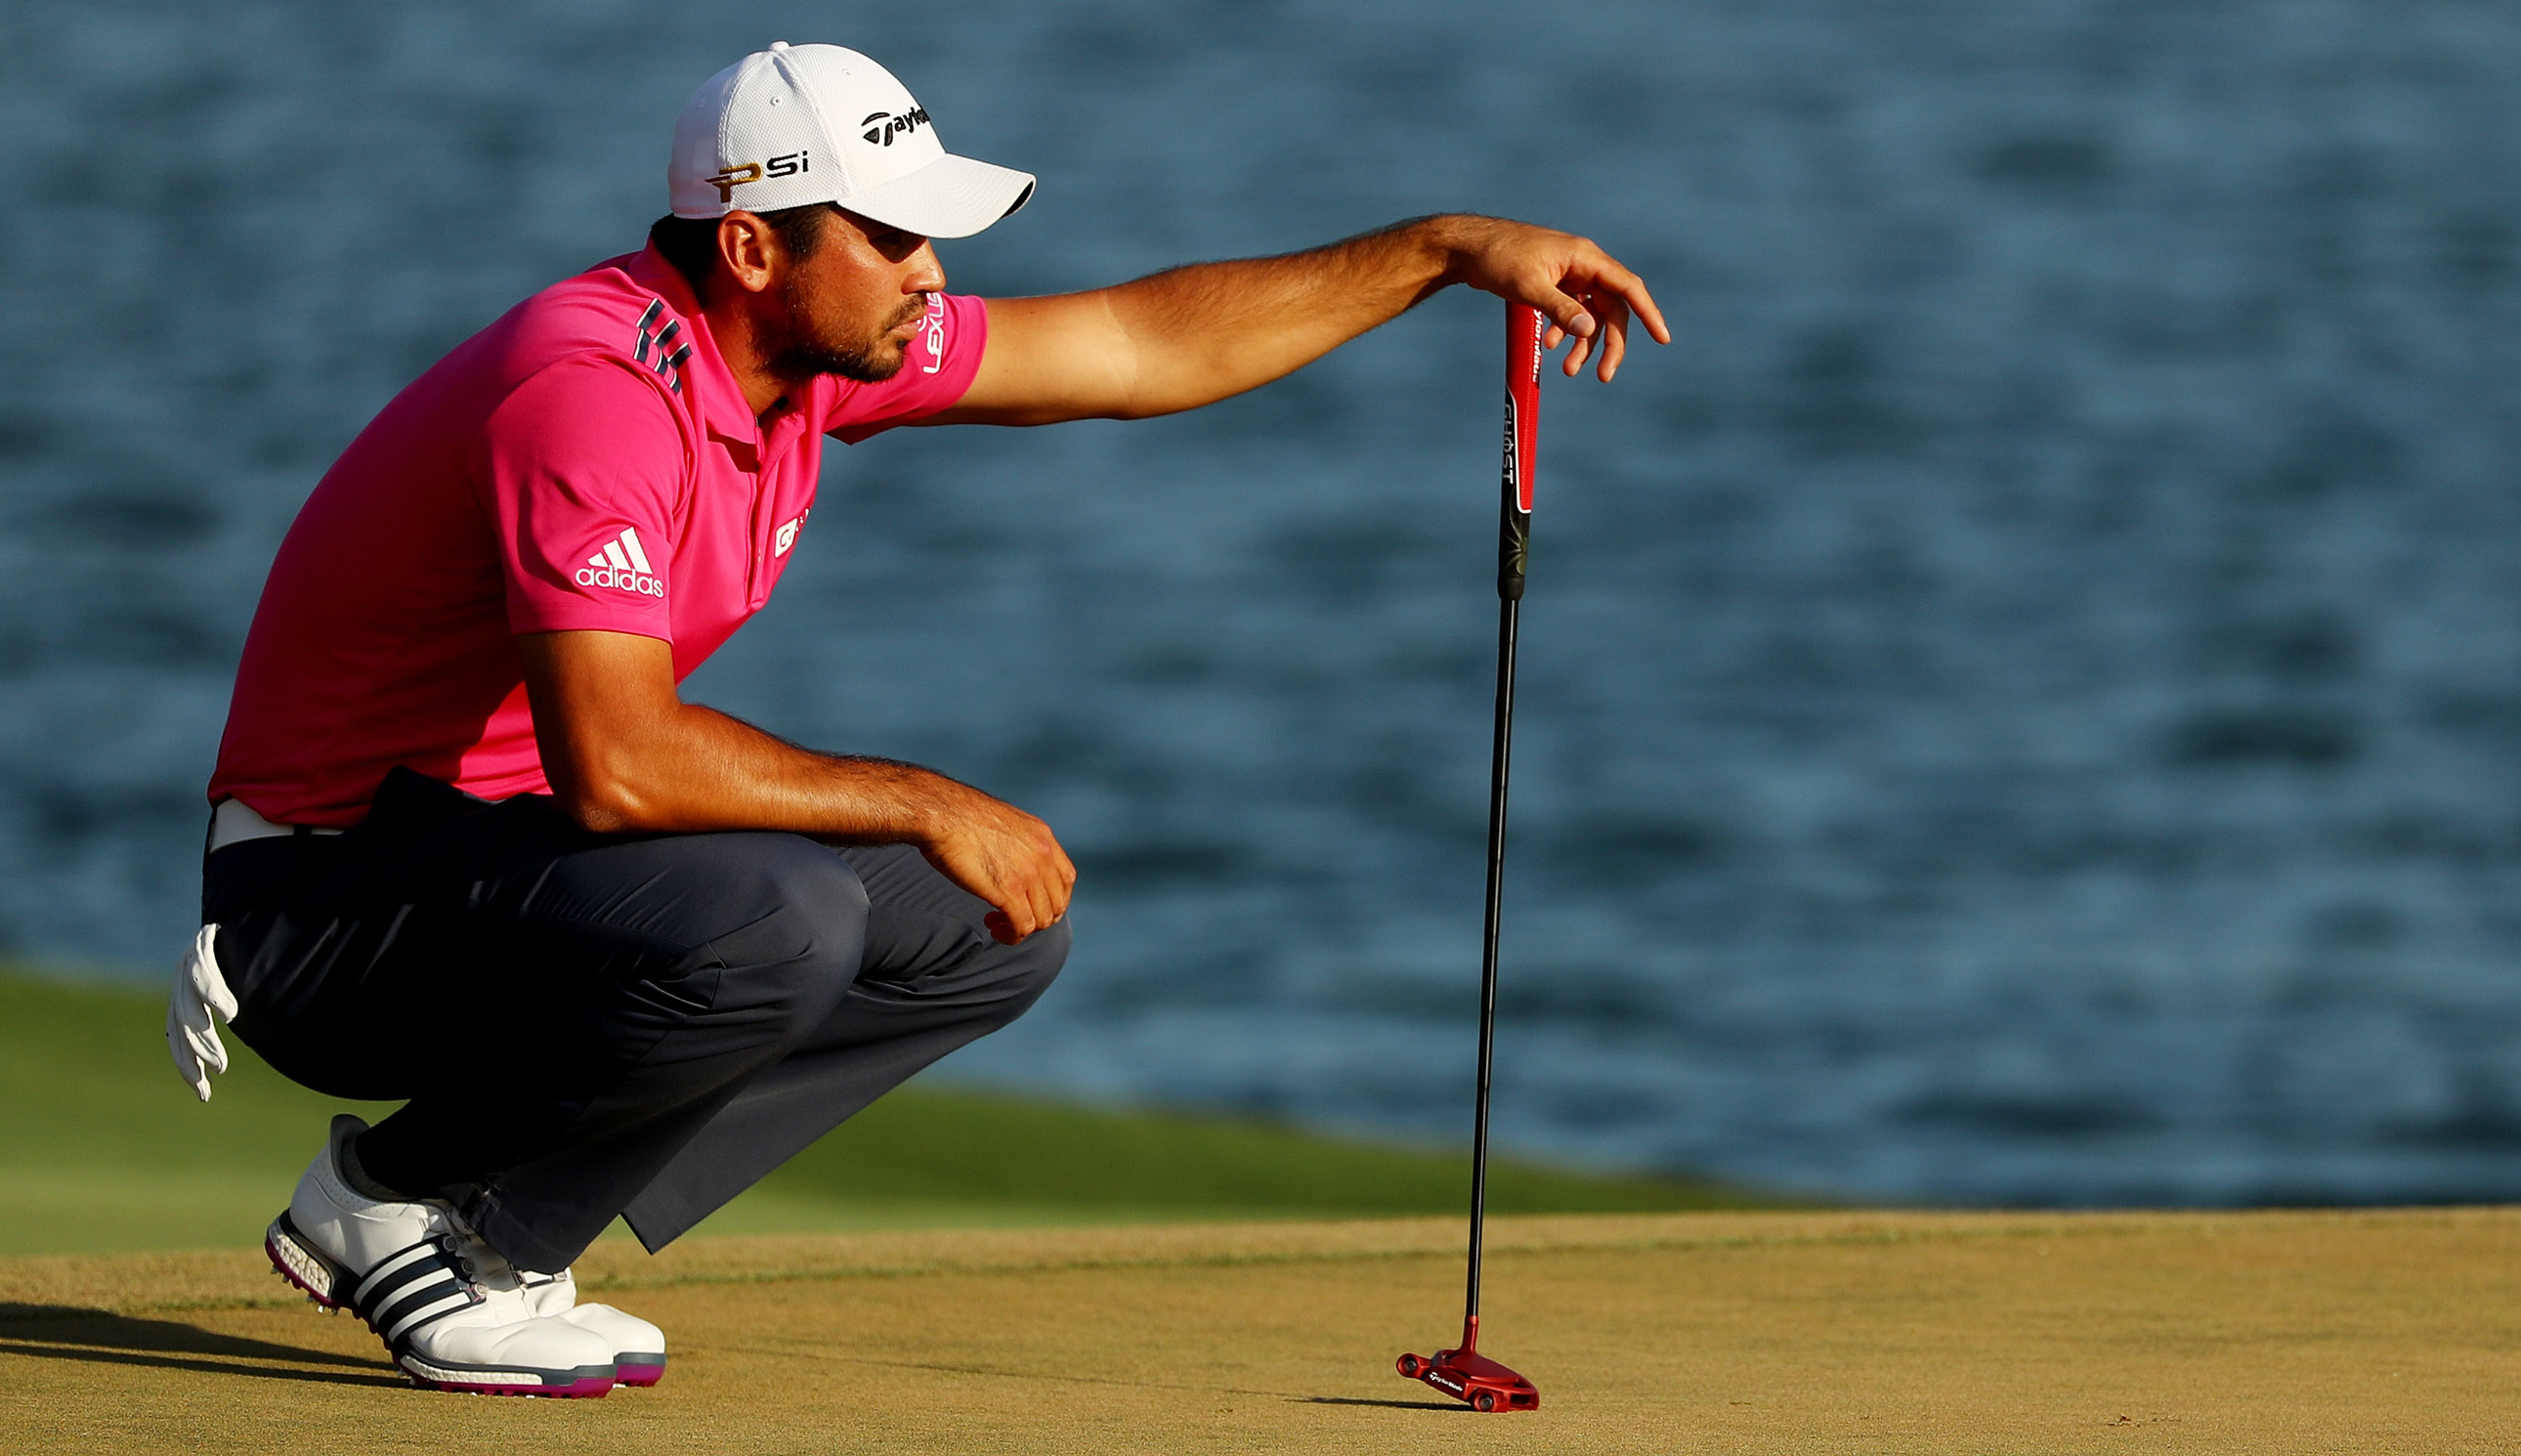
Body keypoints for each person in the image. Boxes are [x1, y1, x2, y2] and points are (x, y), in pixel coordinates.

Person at [165, 40, 1668, 1398]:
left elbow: (1136, 346)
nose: (930, 270)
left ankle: (501, 1235)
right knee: (792, 913)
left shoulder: (794, 361)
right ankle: (397, 1200)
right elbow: (616, 764)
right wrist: (923, 795)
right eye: (890, 236)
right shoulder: (595, 391)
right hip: (324, 905)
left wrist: (1441, 252)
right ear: (752, 245)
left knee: (983, 923)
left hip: (499, 861)